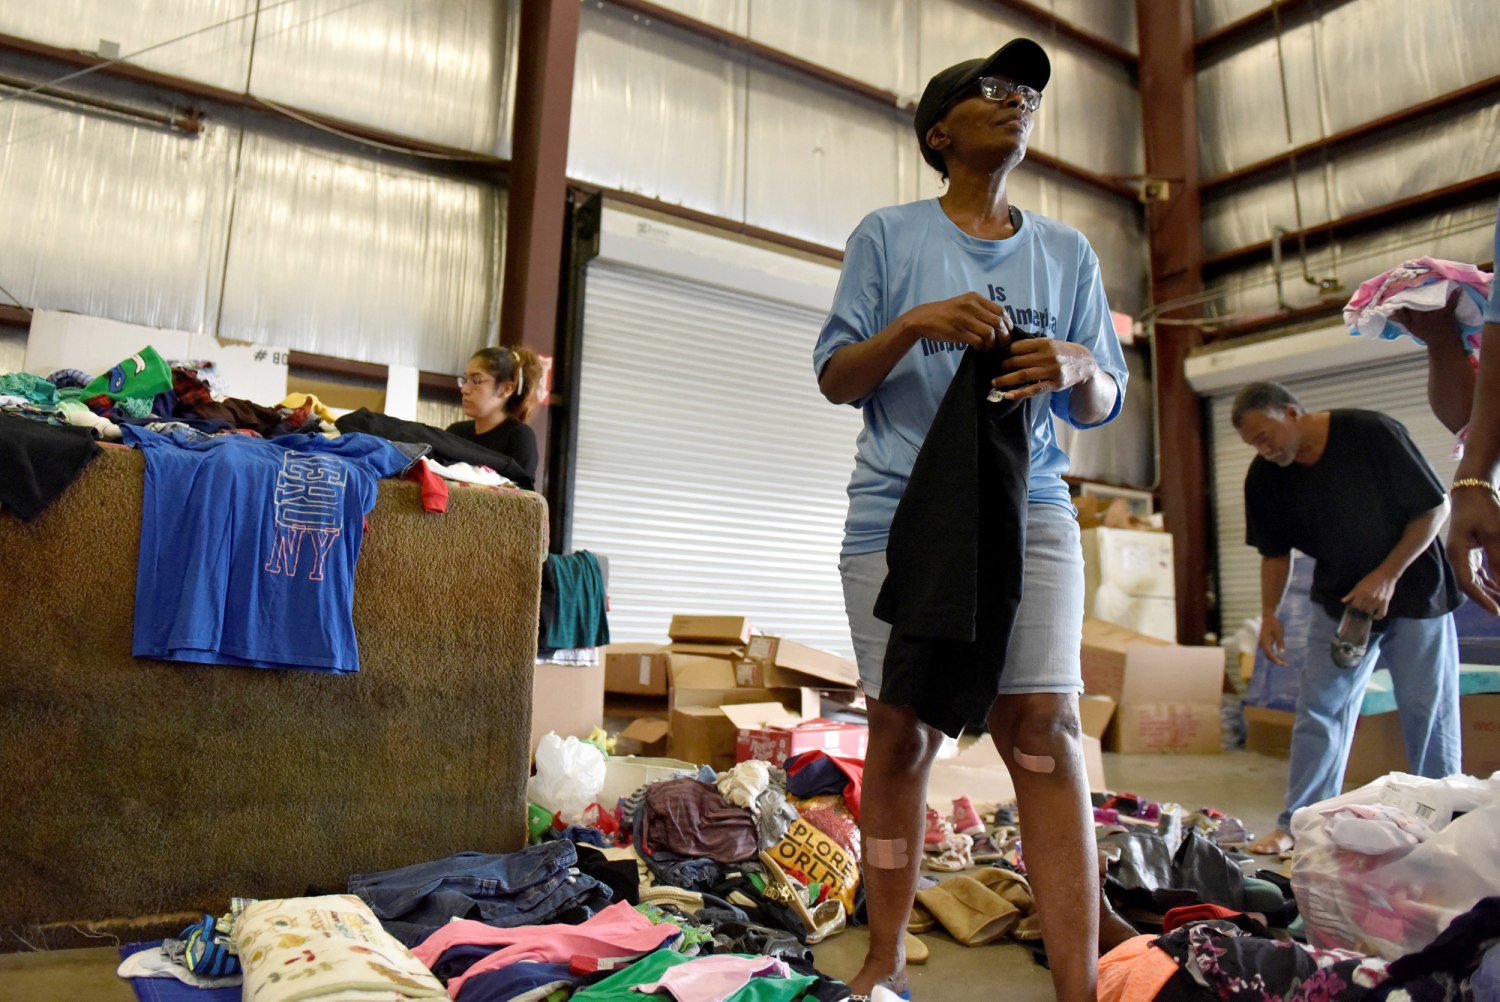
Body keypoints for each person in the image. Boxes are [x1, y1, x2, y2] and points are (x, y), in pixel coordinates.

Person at [813, 38, 1128, 1002]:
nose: (1018, 102)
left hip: (1028, 509)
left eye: (1027, 93)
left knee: (1045, 734)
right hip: (900, 515)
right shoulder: (888, 236)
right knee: (902, 734)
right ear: (940, 132)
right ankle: (885, 955)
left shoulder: (1066, 251)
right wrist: (912, 325)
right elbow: (836, 377)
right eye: (994, 91)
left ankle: (1080, 984)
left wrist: (1079, 366)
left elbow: (1104, 397)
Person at [1233, 381, 1462, 856]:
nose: (1264, 448)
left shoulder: (1371, 433)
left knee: (1427, 711)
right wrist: (1269, 615)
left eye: (1266, 435)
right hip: (1340, 600)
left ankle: (1443, 826)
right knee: (1319, 711)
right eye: (1253, 443)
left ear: (1292, 412)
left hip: (1414, 589)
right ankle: (1299, 825)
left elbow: (1433, 507)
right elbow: (1275, 554)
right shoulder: (1266, 476)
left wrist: (1386, 576)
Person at [447, 346, 542, 484]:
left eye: (476, 381)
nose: (465, 389)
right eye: (465, 380)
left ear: (506, 389)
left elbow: (522, 498)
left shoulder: (519, 437)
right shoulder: (455, 432)